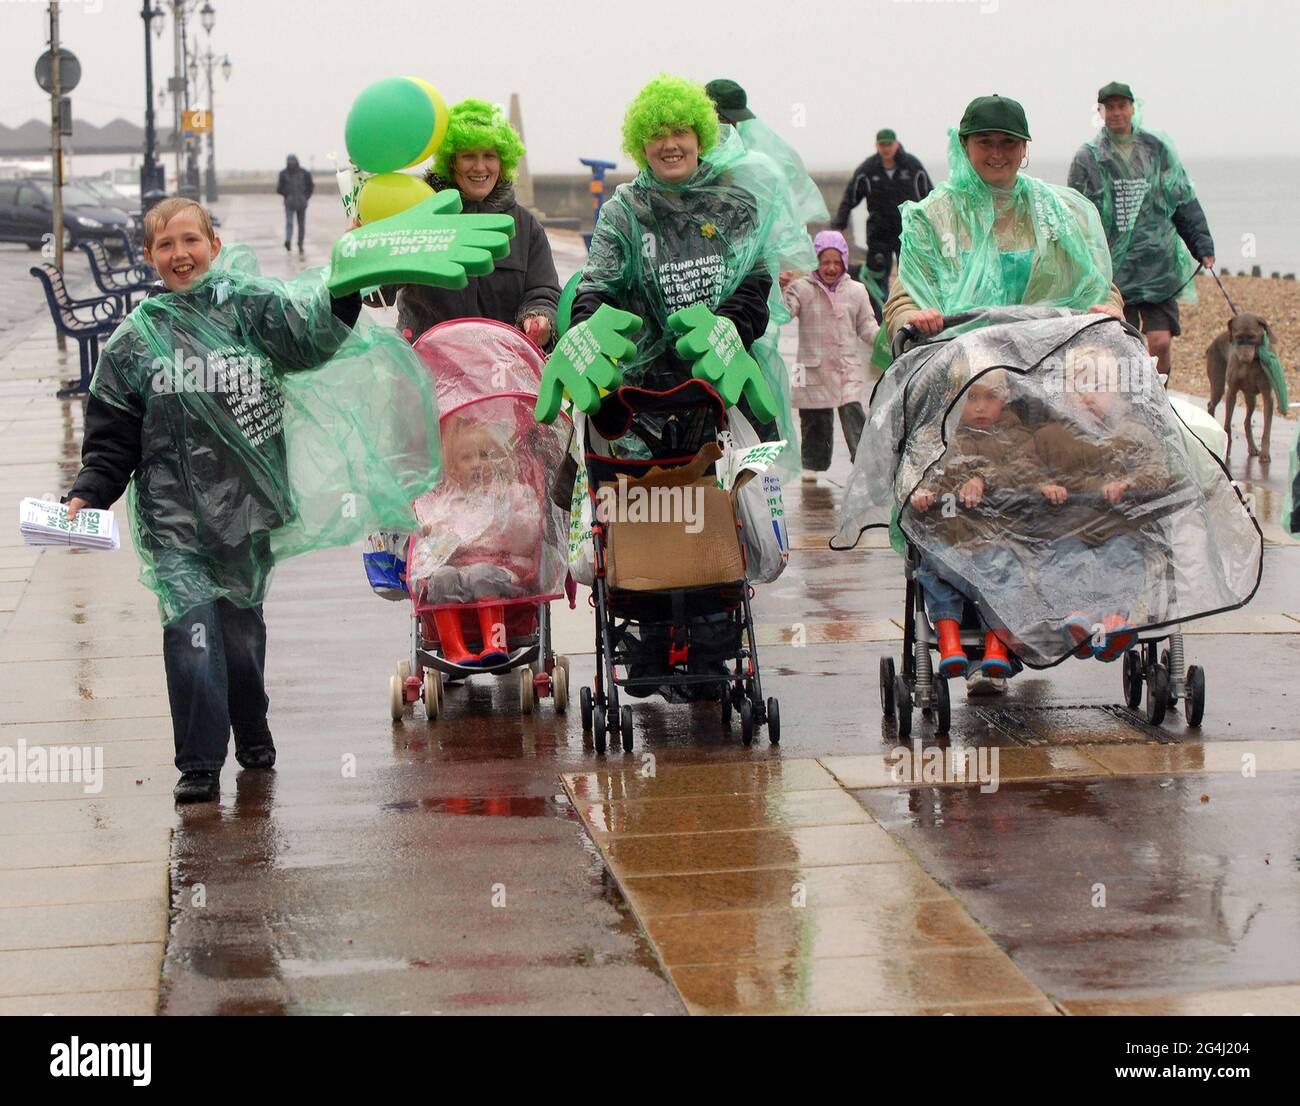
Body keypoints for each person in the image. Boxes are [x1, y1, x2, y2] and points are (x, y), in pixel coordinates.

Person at [62, 198, 433, 804]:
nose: (180, 254)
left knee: (237, 637)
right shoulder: (133, 342)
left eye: (190, 240)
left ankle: (253, 729)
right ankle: (200, 764)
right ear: (150, 255)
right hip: (172, 520)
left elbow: (312, 337)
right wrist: (86, 494)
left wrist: (349, 274)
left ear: (212, 242)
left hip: (247, 511)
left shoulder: (248, 308)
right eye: (165, 245)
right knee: (191, 634)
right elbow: (111, 441)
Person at [884, 94, 1123, 692]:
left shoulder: (1057, 213)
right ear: (964, 145)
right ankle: (981, 615)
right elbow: (902, 299)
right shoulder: (934, 217)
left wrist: (1106, 311)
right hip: (968, 385)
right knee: (972, 486)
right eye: (984, 141)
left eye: (1008, 142)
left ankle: (1057, 602)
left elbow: (1103, 288)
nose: (996, 152)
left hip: (1047, 381)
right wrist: (917, 318)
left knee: (1054, 480)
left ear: (1024, 148)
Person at [1068, 81, 1215, 379]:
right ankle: (1132, 402)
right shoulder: (1088, 158)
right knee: (1122, 343)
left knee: (1160, 341)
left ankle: (1160, 391)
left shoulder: (1157, 149)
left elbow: (1182, 199)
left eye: (1122, 106)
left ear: (1133, 108)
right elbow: (1076, 214)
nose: (1116, 113)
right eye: (1110, 107)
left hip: (1157, 266)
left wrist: (1202, 246)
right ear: (1101, 111)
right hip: (1112, 272)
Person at [385, 99, 560, 348]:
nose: (480, 167)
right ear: (451, 162)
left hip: (502, 370)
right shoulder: (420, 216)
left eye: (489, 156)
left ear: (503, 162)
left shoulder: (526, 226)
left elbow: (543, 291)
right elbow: (377, 293)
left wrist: (539, 318)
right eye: (468, 156)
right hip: (425, 367)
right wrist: (364, 247)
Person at [1034, 348, 1170, 661]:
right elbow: (1026, 467)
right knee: (1068, 562)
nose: (1088, 397)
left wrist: (1129, 483)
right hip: (1067, 527)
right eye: (1079, 389)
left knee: (1123, 561)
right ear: (1065, 393)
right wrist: (1042, 485)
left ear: (1117, 392)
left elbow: (1156, 470)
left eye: (1098, 388)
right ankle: (1077, 616)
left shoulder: (1133, 433)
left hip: (1119, 528)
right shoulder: (1050, 436)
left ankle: (1113, 620)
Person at [907, 369, 1035, 678]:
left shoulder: (1015, 437)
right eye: (971, 398)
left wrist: (983, 479)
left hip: (998, 537)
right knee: (932, 572)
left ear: (1005, 400)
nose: (979, 407)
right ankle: (949, 642)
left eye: (990, 397)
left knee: (1004, 572)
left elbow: (1025, 472)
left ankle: (996, 645)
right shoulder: (939, 437)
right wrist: (919, 490)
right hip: (949, 536)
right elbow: (919, 468)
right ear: (955, 400)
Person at [408, 412, 543, 666]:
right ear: (454, 467)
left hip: (502, 571)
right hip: (458, 573)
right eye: (467, 458)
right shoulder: (448, 502)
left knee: (482, 574)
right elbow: (435, 539)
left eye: (484, 455)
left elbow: (528, 537)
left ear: (500, 460)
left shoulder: (514, 494)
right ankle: (454, 649)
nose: (477, 464)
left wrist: (500, 508)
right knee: (440, 579)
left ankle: (496, 643)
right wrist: (431, 534)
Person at [780, 230, 877, 478]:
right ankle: (813, 467)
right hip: (813, 370)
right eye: (825, 262)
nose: (831, 268)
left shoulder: (857, 291)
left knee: (854, 414)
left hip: (847, 368)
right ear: (816, 263)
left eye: (837, 262)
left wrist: (886, 339)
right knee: (815, 422)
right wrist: (780, 289)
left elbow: (867, 327)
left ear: (844, 262)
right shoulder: (801, 289)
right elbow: (783, 313)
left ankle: (866, 465)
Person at [831, 128, 933, 321]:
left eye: (889, 144)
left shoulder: (912, 166)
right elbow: (850, 197)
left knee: (910, 278)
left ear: (896, 144)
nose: (886, 149)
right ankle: (879, 322)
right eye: (882, 145)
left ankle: (913, 318)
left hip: (909, 234)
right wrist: (838, 225)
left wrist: (932, 227)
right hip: (879, 234)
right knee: (877, 279)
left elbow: (930, 196)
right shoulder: (868, 170)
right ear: (877, 146)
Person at [705, 77, 829, 228]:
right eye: (725, 120)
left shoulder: (749, 149)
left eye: (735, 121)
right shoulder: (691, 154)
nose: (733, 127)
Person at [276, 154, 314, 256]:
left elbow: (311, 186)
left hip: (302, 203)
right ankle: (288, 241)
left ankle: (300, 244)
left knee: (301, 225)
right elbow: (279, 189)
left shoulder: (304, 173)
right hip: (289, 203)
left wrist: (305, 197)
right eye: (289, 161)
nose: (291, 162)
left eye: (292, 160)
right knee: (289, 223)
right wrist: (287, 195)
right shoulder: (283, 174)